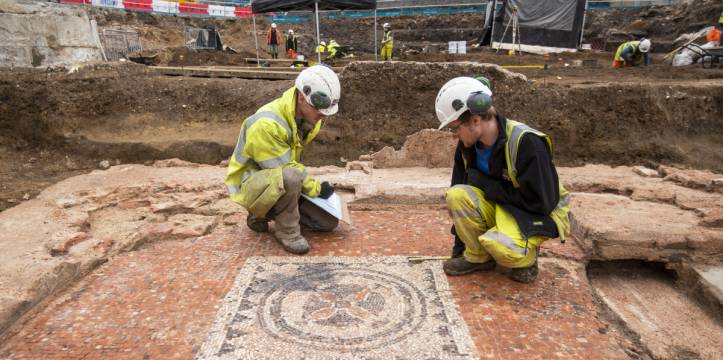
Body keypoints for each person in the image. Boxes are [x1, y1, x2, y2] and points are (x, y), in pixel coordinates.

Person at [435, 76, 570, 283]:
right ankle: (479, 258)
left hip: (537, 210)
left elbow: (542, 203)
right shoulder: (467, 147)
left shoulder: (527, 143)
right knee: (456, 195)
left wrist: (489, 186)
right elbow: (459, 194)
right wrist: (459, 250)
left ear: (476, 120)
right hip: (504, 204)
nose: (454, 135)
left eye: (454, 128)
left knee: (503, 248)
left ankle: (526, 258)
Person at [225, 66, 341, 254]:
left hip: (277, 178)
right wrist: (317, 188)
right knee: (291, 177)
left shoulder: (309, 119)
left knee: (326, 222)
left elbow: (288, 163)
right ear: (302, 97)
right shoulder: (267, 124)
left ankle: (265, 213)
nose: (323, 116)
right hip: (250, 185)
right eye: (319, 110)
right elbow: (287, 169)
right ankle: (287, 232)